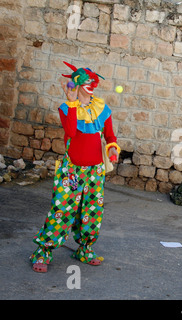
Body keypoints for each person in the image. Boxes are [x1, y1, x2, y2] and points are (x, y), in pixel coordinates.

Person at [30, 61, 120, 273]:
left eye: (92, 82)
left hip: (95, 171)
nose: (91, 85)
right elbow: (70, 132)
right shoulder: (67, 109)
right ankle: (43, 251)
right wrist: (71, 102)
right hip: (72, 170)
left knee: (92, 211)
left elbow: (109, 135)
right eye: (86, 82)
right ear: (77, 85)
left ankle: (85, 249)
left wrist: (112, 148)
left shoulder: (101, 107)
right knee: (61, 210)